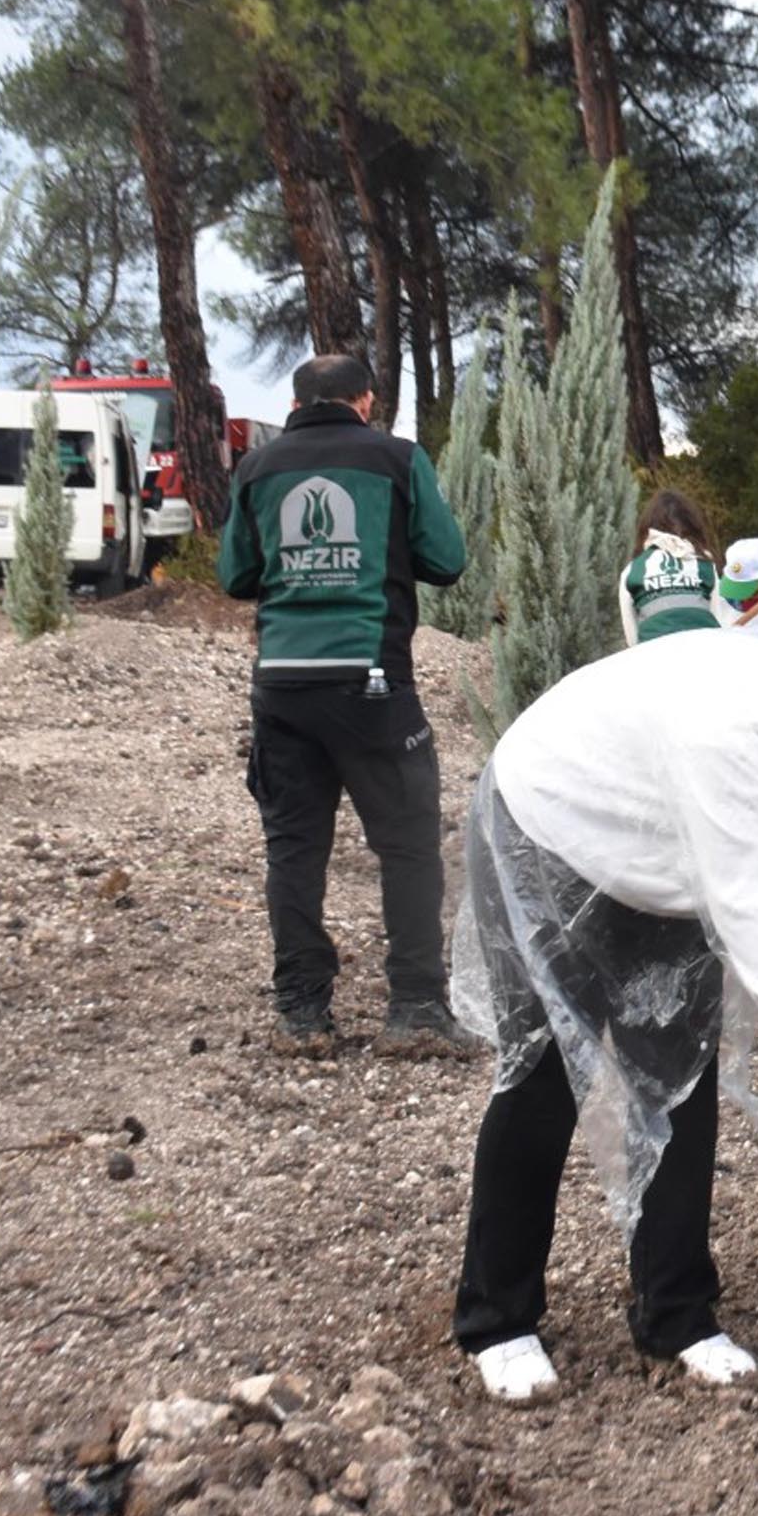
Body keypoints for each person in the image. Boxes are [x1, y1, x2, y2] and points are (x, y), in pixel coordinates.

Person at [447, 567, 758, 1402]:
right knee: (543, 1078)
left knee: (679, 1086)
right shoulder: (729, 726)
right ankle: (497, 1319)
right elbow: (750, 903)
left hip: (663, 861)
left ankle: (677, 1315)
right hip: (551, 835)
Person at [218, 356, 469, 1055]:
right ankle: (416, 1009)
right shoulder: (396, 459)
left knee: (294, 850)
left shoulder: (257, 470)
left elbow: (236, 574)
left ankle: (302, 1013)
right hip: (374, 684)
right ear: (365, 400)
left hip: (283, 687)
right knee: (409, 848)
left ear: (296, 403)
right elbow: (447, 560)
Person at [620, 491, 724, 646]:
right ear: (692, 525)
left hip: (653, 657)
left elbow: (632, 638)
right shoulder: (705, 564)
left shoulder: (632, 570)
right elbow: (718, 619)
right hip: (704, 651)